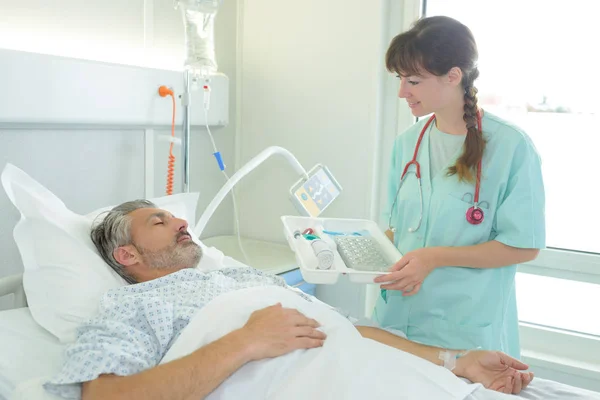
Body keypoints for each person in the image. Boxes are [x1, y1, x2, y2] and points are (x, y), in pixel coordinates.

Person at [44, 200, 533, 399]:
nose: (179, 222)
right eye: (159, 221)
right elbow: (104, 396)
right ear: (126, 254)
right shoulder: (128, 308)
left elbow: (345, 331)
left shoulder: (245, 277)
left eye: (175, 215)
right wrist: (244, 342)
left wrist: (454, 361)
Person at [372, 15, 546, 359]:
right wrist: (355, 255)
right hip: (396, 326)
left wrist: (435, 258)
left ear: (454, 76)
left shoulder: (511, 147)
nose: (402, 91)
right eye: (400, 78)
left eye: (414, 81)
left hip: (466, 335)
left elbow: (524, 246)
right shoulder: (407, 144)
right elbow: (395, 231)